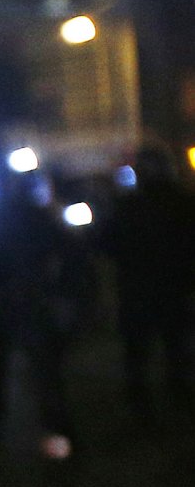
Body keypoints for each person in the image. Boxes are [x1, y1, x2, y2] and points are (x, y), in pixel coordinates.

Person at [0, 174, 93, 459]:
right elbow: (72, 255)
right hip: (32, 306)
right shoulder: (39, 218)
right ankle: (60, 440)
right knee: (44, 376)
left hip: (0, 308)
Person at [103, 146, 195, 429]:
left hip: (138, 290)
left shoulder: (129, 205)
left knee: (138, 354)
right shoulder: (182, 202)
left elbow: (106, 243)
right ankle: (179, 402)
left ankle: (142, 411)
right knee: (175, 349)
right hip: (172, 288)